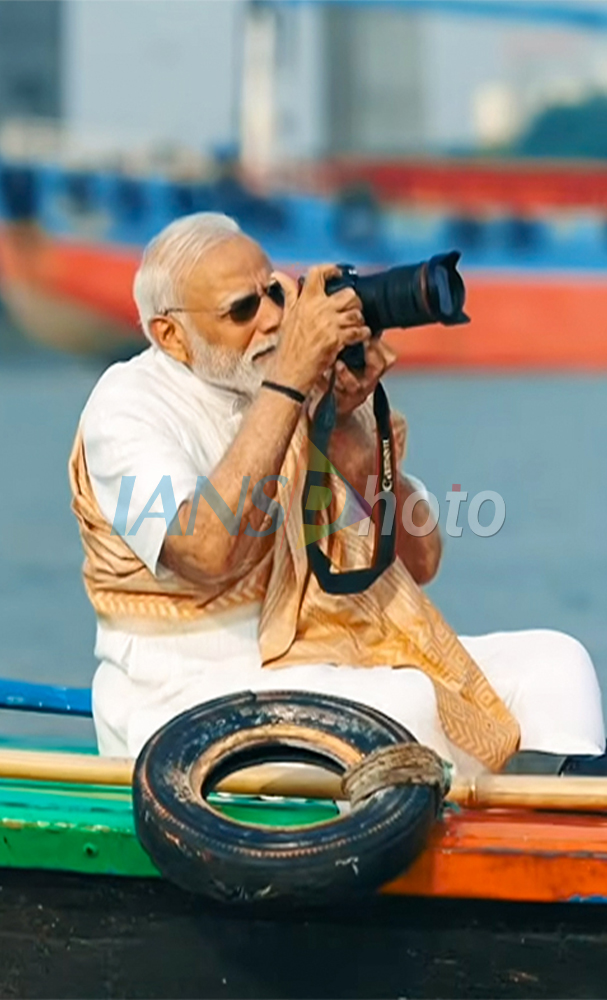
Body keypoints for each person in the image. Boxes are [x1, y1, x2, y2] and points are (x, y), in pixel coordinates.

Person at [70, 212, 606, 776]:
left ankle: (552, 843)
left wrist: (346, 426)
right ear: (170, 336)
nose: (275, 320)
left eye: (275, 293)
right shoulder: (126, 406)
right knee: (403, 706)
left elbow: (422, 559)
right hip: (179, 700)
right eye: (243, 311)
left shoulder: (287, 387)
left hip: (329, 653)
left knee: (557, 667)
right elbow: (203, 550)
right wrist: (292, 381)